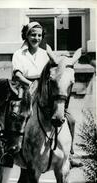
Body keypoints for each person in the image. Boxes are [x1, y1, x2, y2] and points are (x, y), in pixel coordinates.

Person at [12, 21, 82, 168]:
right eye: (32, 34)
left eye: (39, 35)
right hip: (25, 87)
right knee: (18, 115)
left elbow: (55, 72)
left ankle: (69, 153)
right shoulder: (19, 54)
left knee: (70, 119)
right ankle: (11, 151)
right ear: (26, 35)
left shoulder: (46, 54)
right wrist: (30, 84)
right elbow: (17, 74)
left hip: (44, 90)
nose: (36, 38)